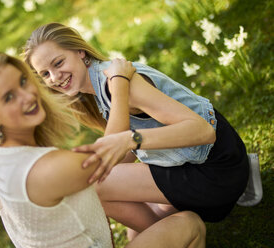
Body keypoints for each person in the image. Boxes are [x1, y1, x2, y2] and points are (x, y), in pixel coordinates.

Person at [23, 22, 261, 235]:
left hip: (216, 170)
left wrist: (130, 139)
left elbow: (202, 131)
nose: (55, 77)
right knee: (132, 230)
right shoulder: (99, 88)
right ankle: (168, 236)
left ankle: (173, 236)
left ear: (79, 52)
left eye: (58, 63)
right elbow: (119, 145)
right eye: (45, 74)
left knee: (92, 186)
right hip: (191, 166)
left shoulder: (118, 82)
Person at [0, 52, 206, 248]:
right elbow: (113, 150)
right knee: (189, 224)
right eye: (9, 97)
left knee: (149, 223)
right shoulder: (46, 169)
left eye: (23, 81)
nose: (28, 96)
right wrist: (118, 84)